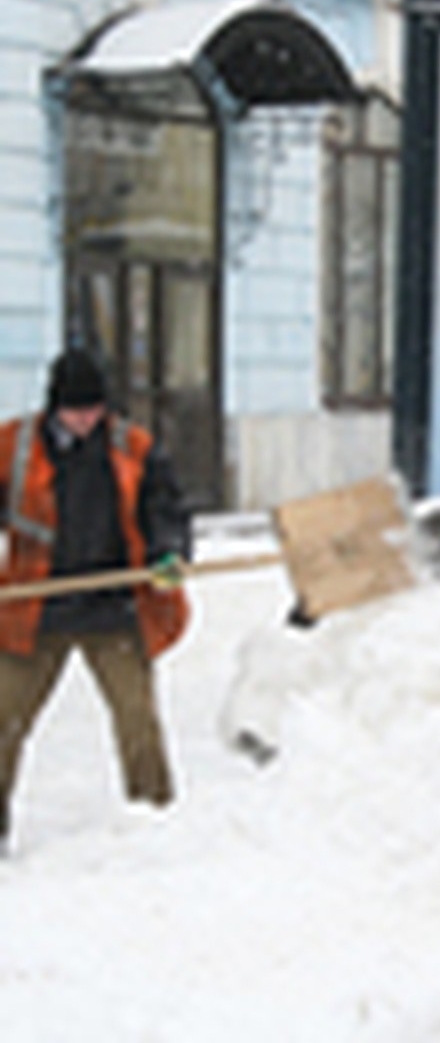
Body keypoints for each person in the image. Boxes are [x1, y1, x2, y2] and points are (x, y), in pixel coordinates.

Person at [0, 347, 191, 848]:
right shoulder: (14, 446)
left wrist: (167, 554)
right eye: (75, 411)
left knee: (137, 719)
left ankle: (156, 824)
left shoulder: (134, 446)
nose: (85, 420)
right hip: (35, 608)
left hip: (114, 607)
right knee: (2, 720)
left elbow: (166, 509)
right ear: (53, 406)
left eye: (94, 410)